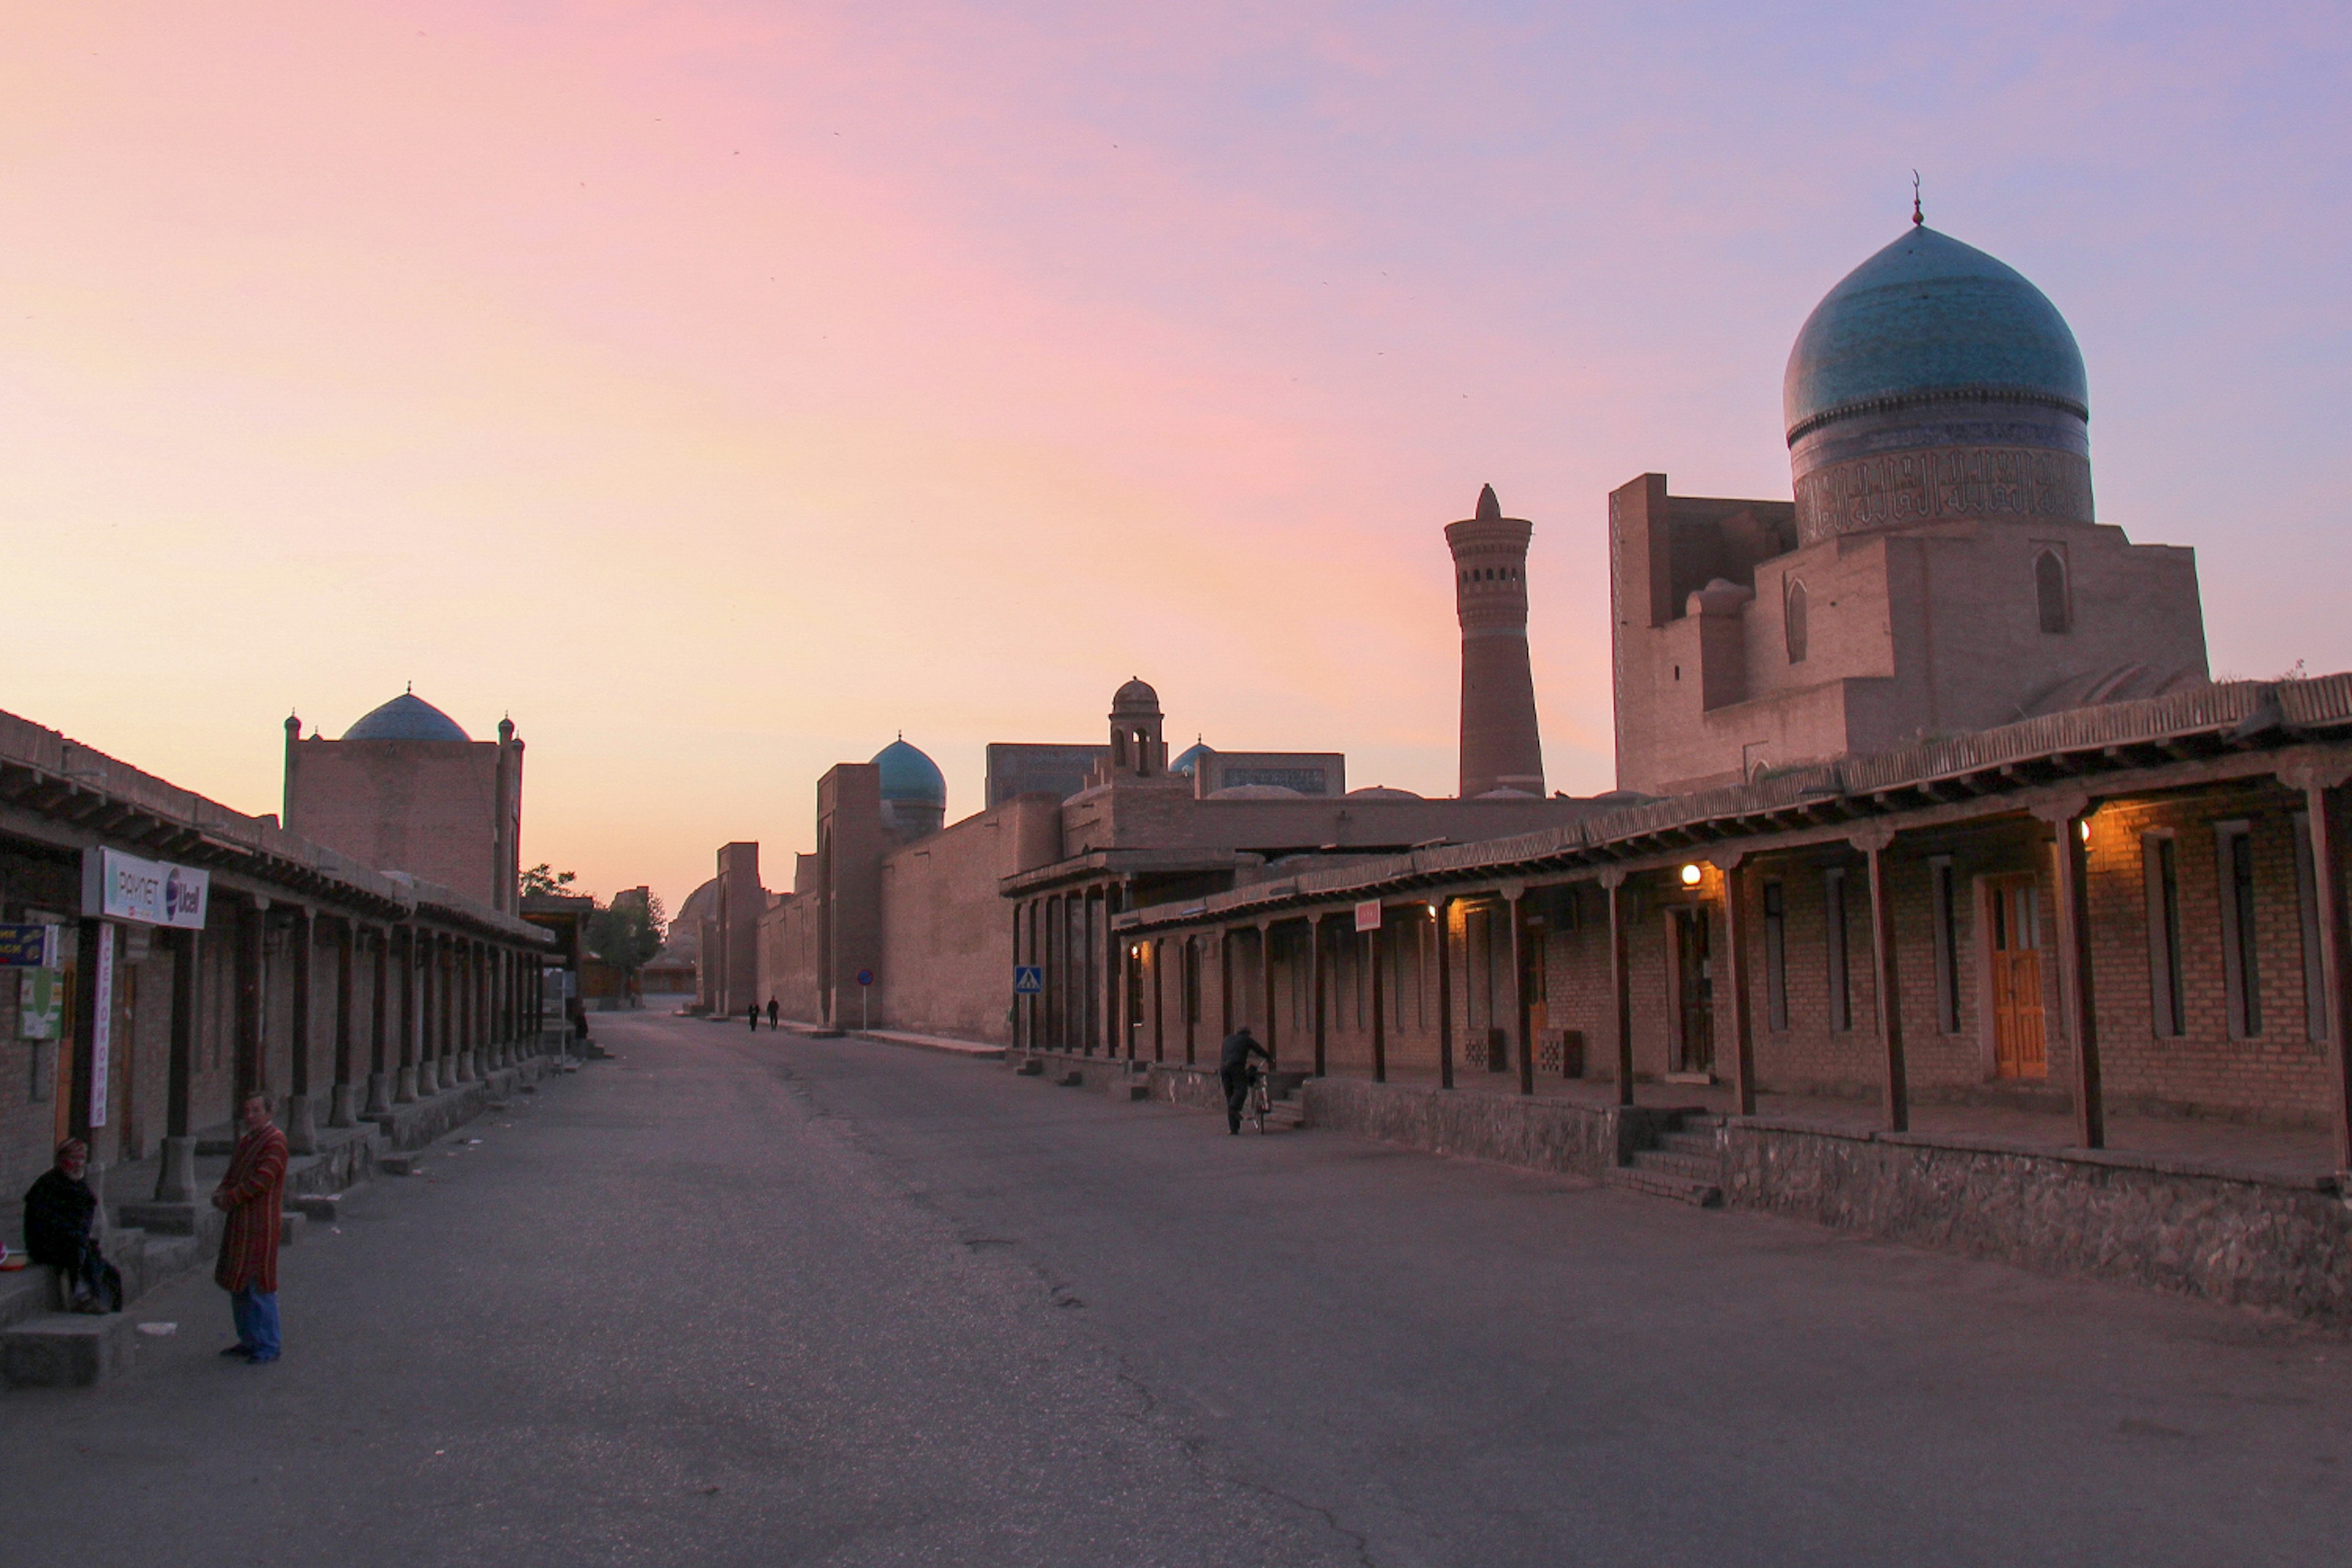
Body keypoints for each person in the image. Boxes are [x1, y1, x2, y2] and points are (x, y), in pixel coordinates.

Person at [212, 1088, 288, 1364]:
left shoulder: (275, 1141)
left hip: (261, 1224)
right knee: (239, 1285)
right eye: (248, 1111)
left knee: (260, 1285)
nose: (251, 1116)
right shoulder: (247, 1141)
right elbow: (233, 1174)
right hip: (239, 1224)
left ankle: (269, 1344)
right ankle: (249, 1340)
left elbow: (262, 1181)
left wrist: (230, 1198)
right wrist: (221, 1192)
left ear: (269, 1112)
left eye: (257, 1110)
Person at [22, 1139, 121, 1313]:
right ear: (61, 1161)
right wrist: (74, 1235)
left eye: (81, 1159)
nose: (78, 1164)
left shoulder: (79, 1186)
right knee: (80, 1252)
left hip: (73, 1241)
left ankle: (109, 1307)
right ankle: (84, 1297)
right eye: (73, 1159)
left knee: (109, 1273)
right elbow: (43, 1224)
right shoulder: (47, 1186)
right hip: (48, 1244)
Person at [1218, 1025, 1272, 1136]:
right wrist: (1269, 1058)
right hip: (1236, 1066)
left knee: (1230, 1095)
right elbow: (1259, 1049)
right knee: (1241, 1089)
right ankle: (1234, 1108)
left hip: (1224, 1068)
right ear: (1247, 1034)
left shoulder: (1228, 1039)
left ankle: (1234, 1128)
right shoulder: (1246, 1040)